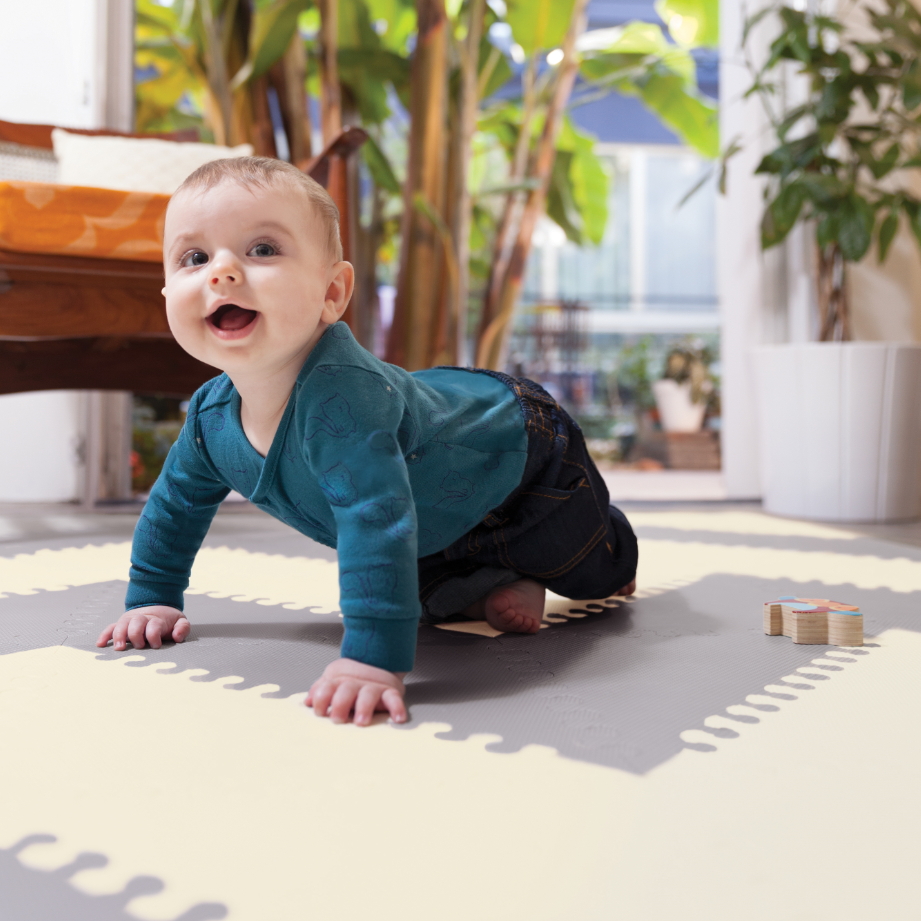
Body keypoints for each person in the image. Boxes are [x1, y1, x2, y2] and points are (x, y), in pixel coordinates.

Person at [96, 157, 638, 726]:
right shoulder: (211, 419)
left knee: (589, 574)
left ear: (332, 293)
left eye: (262, 250)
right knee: (419, 590)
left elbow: (374, 520)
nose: (222, 272)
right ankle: (500, 583)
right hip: (432, 509)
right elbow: (174, 506)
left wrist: (370, 662)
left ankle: (609, 538)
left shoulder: (342, 401)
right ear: (165, 294)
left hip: (519, 454)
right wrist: (152, 597)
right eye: (194, 258)